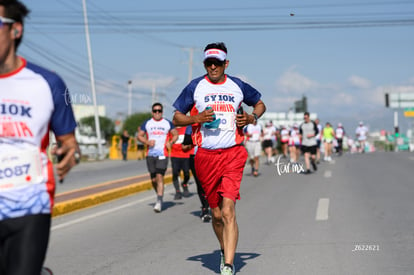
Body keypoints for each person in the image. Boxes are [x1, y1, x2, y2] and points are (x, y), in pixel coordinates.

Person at [0, 1, 80, 274]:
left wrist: (69, 154)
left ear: (15, 30)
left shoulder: (48, 83)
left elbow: (70, 142)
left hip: (30, 202)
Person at [172, 42, 266, 275]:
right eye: (208, 63)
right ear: (205, 64)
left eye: (217, 63)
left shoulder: (238, 85)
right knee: (215, 215)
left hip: (233, 153)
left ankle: (228, 265)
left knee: (228, 210)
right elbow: (176, 117)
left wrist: (252, 118)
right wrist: (197, 119)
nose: (213, 67)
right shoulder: (195, 86)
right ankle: (224, 249)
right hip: (205, 156)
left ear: (226, 63)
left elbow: (260, 104)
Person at [137, 102, 178, 213]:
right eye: (155, 111)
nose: (157, 113)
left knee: (160, 177)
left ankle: (159, 201)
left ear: (162, 112)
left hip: (162, 154)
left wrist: (171, 142)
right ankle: (159, 195)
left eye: (159, 111)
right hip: (150, 154)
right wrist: (147, 141)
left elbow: (175, 134)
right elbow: (139, 135)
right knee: (153, 179)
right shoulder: (147, 123)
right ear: (152, 112)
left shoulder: (167, 123)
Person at [182, 125, 211, 222]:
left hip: (212, 157)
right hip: (196, 157)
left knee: (211, 183)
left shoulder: (215, 119)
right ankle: (205, 208)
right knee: (200, 184)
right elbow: (185, 145)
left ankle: (215, 205)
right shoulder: (191, 125)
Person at [170, 126, 191, 199]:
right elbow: (167, 141)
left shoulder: (186, 129)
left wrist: (188, 146)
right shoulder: (172, 130)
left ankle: (184, 184)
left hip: (185, 155)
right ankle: (177, 191)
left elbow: (191, 141)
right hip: (174, 155)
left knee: (186, 173)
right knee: (175, 173)